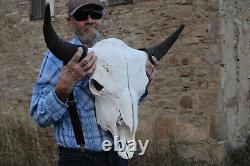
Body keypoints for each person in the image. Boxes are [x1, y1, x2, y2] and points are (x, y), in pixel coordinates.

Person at [30, 0, 158, 165]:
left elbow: (125, 103)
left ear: (102, 17)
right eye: (82, 15)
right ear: (70, 22)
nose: (90, 20)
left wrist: (142, 84)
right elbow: (40, 116)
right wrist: (64, 87)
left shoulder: (118, 54)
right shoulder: (56, 58)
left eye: (95, 14)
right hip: (79, 158)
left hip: (118, 155)